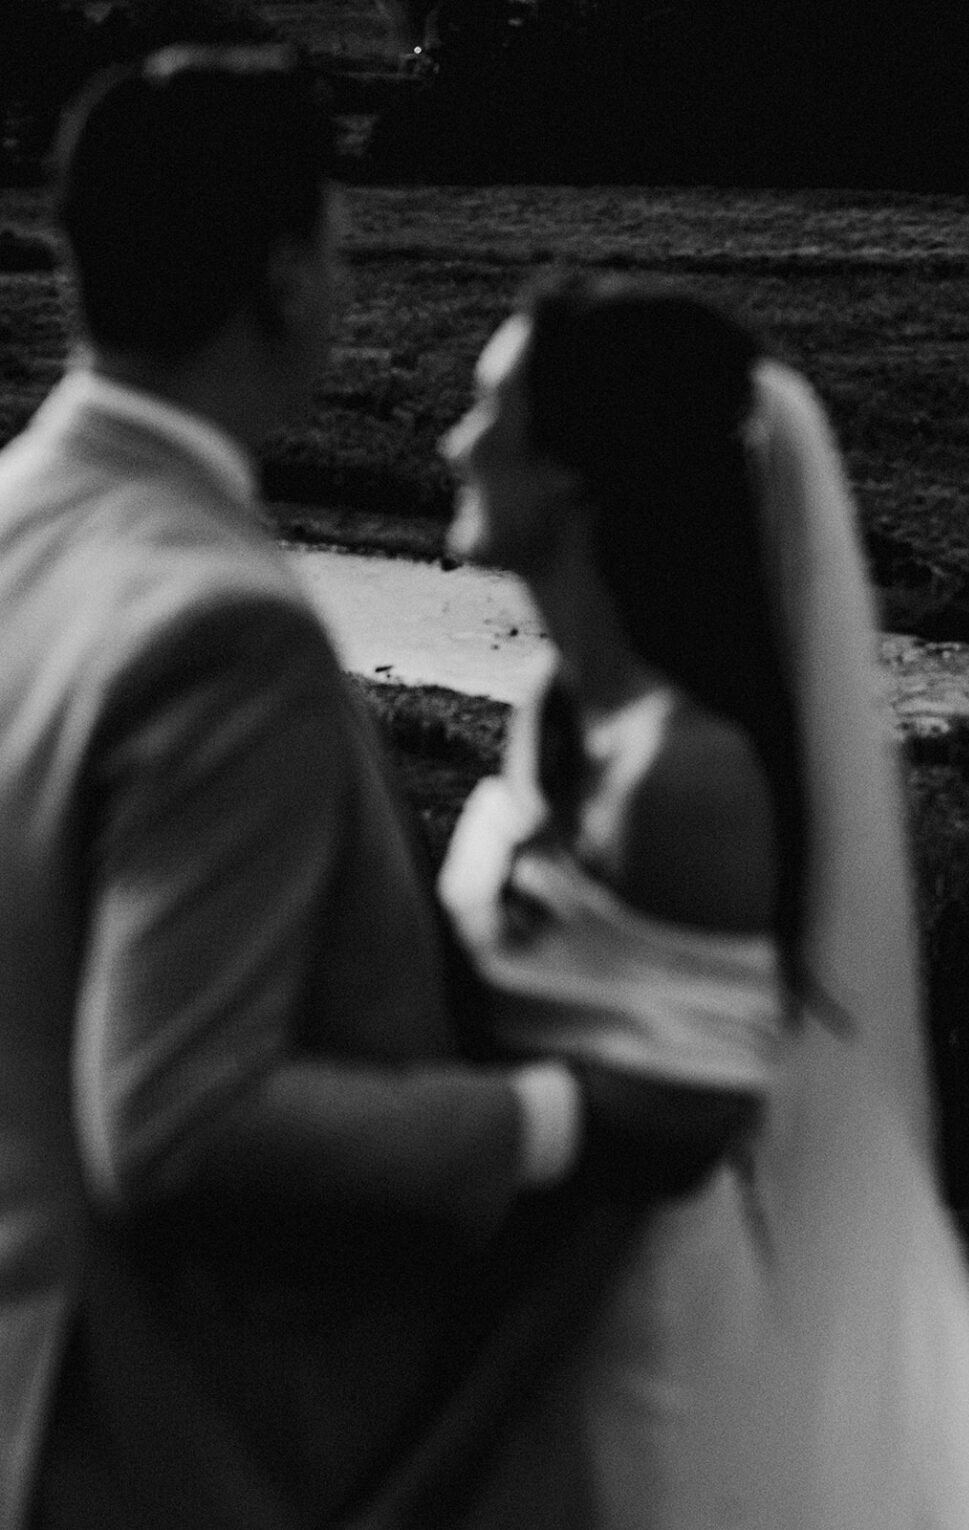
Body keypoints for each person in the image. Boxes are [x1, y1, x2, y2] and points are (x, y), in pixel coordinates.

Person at [0, 48, 598, 1530]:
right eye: (337, 249)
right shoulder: (226, 628)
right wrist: (543, 1117)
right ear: (279, 275)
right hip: (169, 1436)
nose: (342, 288)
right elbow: (183, 1119)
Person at [439, 273, 969, 1527]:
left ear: (578, 478)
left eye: (493, 411)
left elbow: (648, 1173)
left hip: (630, 1354)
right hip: (514, 1310)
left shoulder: (689, 778)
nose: (453, 440)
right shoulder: (551, 706)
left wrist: (440, 1452)